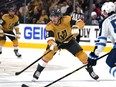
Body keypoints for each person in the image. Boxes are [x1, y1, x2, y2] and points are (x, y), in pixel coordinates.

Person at [32, 8, 99, 81]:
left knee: (82, 55)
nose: (53, 19)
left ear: (59, 16)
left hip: (69, 40)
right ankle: (38, 71)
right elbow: (50, 39)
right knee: (47, 55)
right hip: (57, 43)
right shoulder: (49, 26)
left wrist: (77, 26)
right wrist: (52, 44)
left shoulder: (66, 19)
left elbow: (80, 22)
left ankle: (91, 71)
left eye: (55, 17)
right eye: (52, 17)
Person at [87, 2, 116, 78]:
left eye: (103, 11)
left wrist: (94, 55)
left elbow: (101, 43)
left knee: (109, 64)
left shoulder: (105, 22)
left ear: (106, 11)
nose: (102, 13)